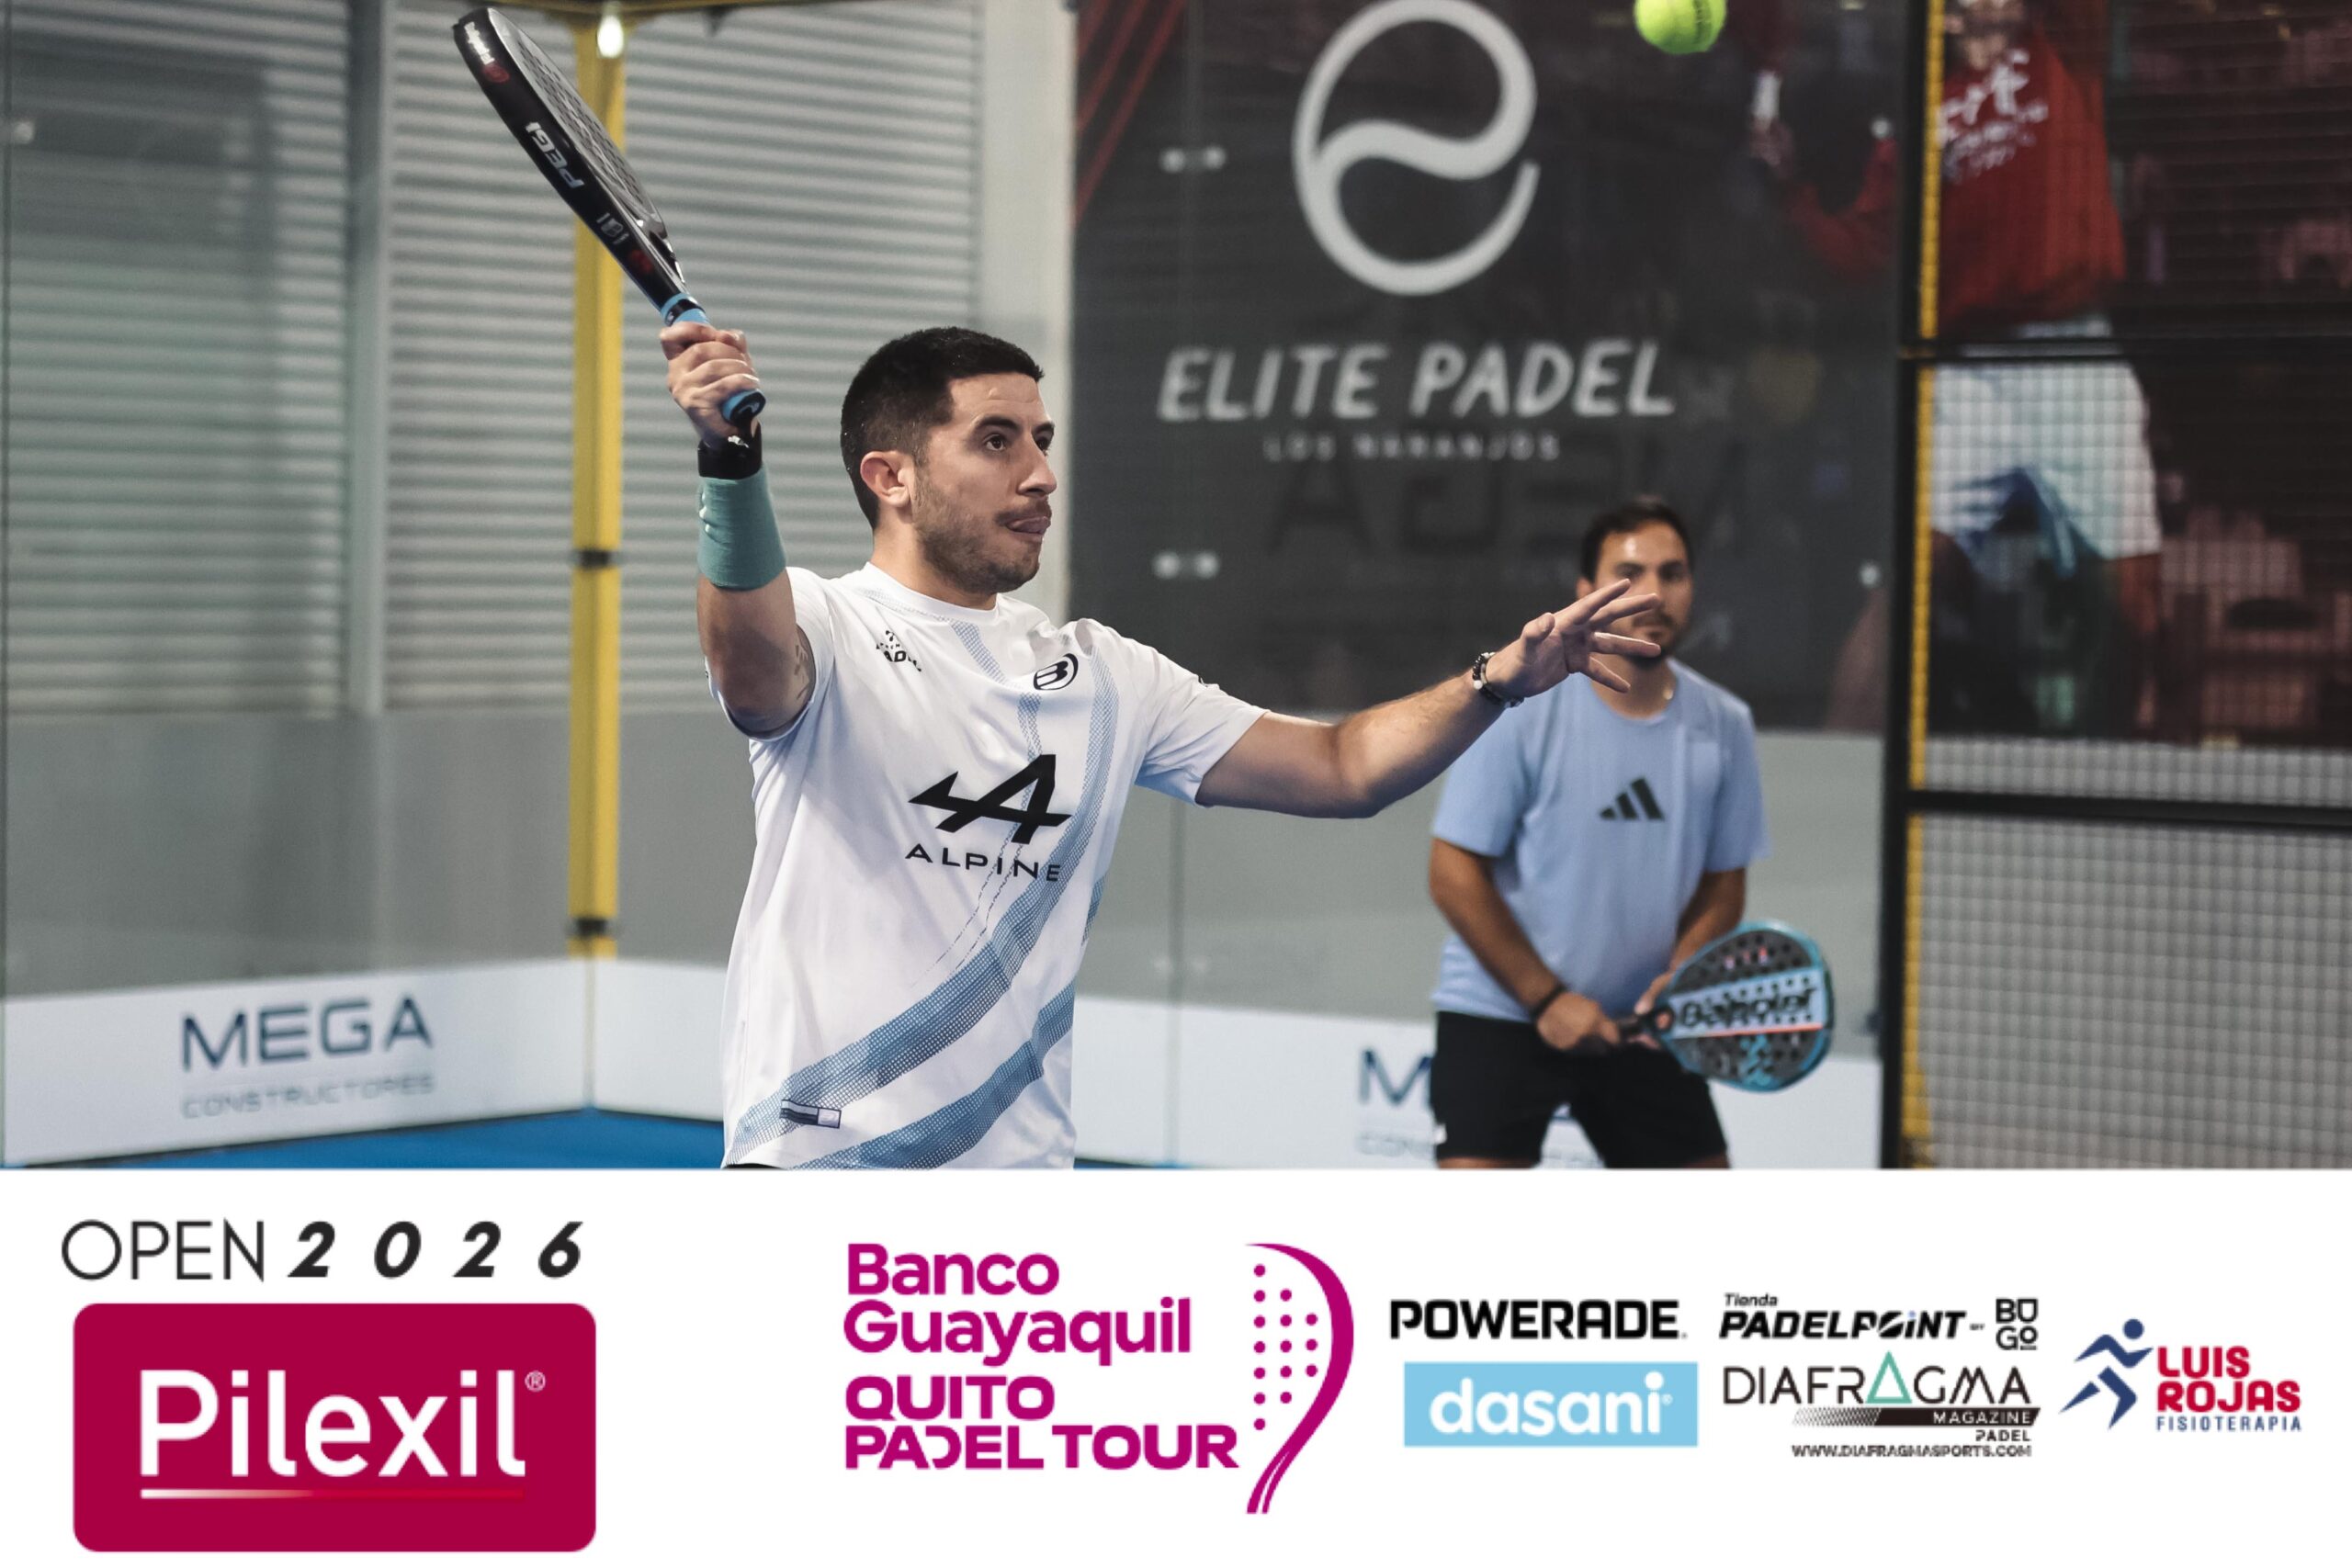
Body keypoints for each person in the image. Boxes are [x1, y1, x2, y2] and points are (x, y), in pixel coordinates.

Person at [663, 322, 1658, 1168]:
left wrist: (1496, 681)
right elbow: (751, 667)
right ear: (893, 477)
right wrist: (732, 462)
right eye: (996, 441)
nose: (1040, 475)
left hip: (1020, 1191)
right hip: (817, 1171)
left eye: (1041, 441)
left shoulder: (1107, 674)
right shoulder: (826, 624)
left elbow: (1344, 768)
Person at [1747, 0, 2162, 735]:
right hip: (1966, 375)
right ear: (1943, 17)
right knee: (1906, 591)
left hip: (2074, 357)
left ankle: (2136, 763)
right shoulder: (1916, 123)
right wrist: (1789, 192)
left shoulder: (2066, 49)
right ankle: (1838, 766)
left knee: (2132, 598)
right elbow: (1860, 254)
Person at [1424, 501, 1768, 1170]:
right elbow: (1453, 872)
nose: (1654, 594)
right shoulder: (1520, 705)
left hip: (1642, 1028)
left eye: (1673, 573)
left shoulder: (1726, 723)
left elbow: (1724, 885)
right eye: (1629, 574)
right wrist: (1547, 1000)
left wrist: (1678, 981)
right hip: (1503, 1012)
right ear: (1586, 592)